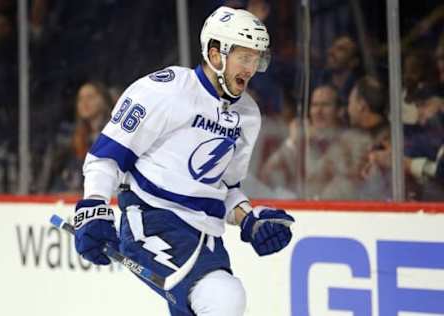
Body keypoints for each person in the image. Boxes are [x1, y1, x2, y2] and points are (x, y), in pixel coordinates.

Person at [72, 6, 294, 316]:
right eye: (245, 57)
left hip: (206, 237)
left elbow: (226, 189)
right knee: (223, 297)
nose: (252, 67)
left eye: (257, 59)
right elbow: (106, 157)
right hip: (151, 219)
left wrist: (251, 221)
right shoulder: (166, 90)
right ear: (216, 54)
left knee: (214, 301)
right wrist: (94, 207)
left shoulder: (247, 116)